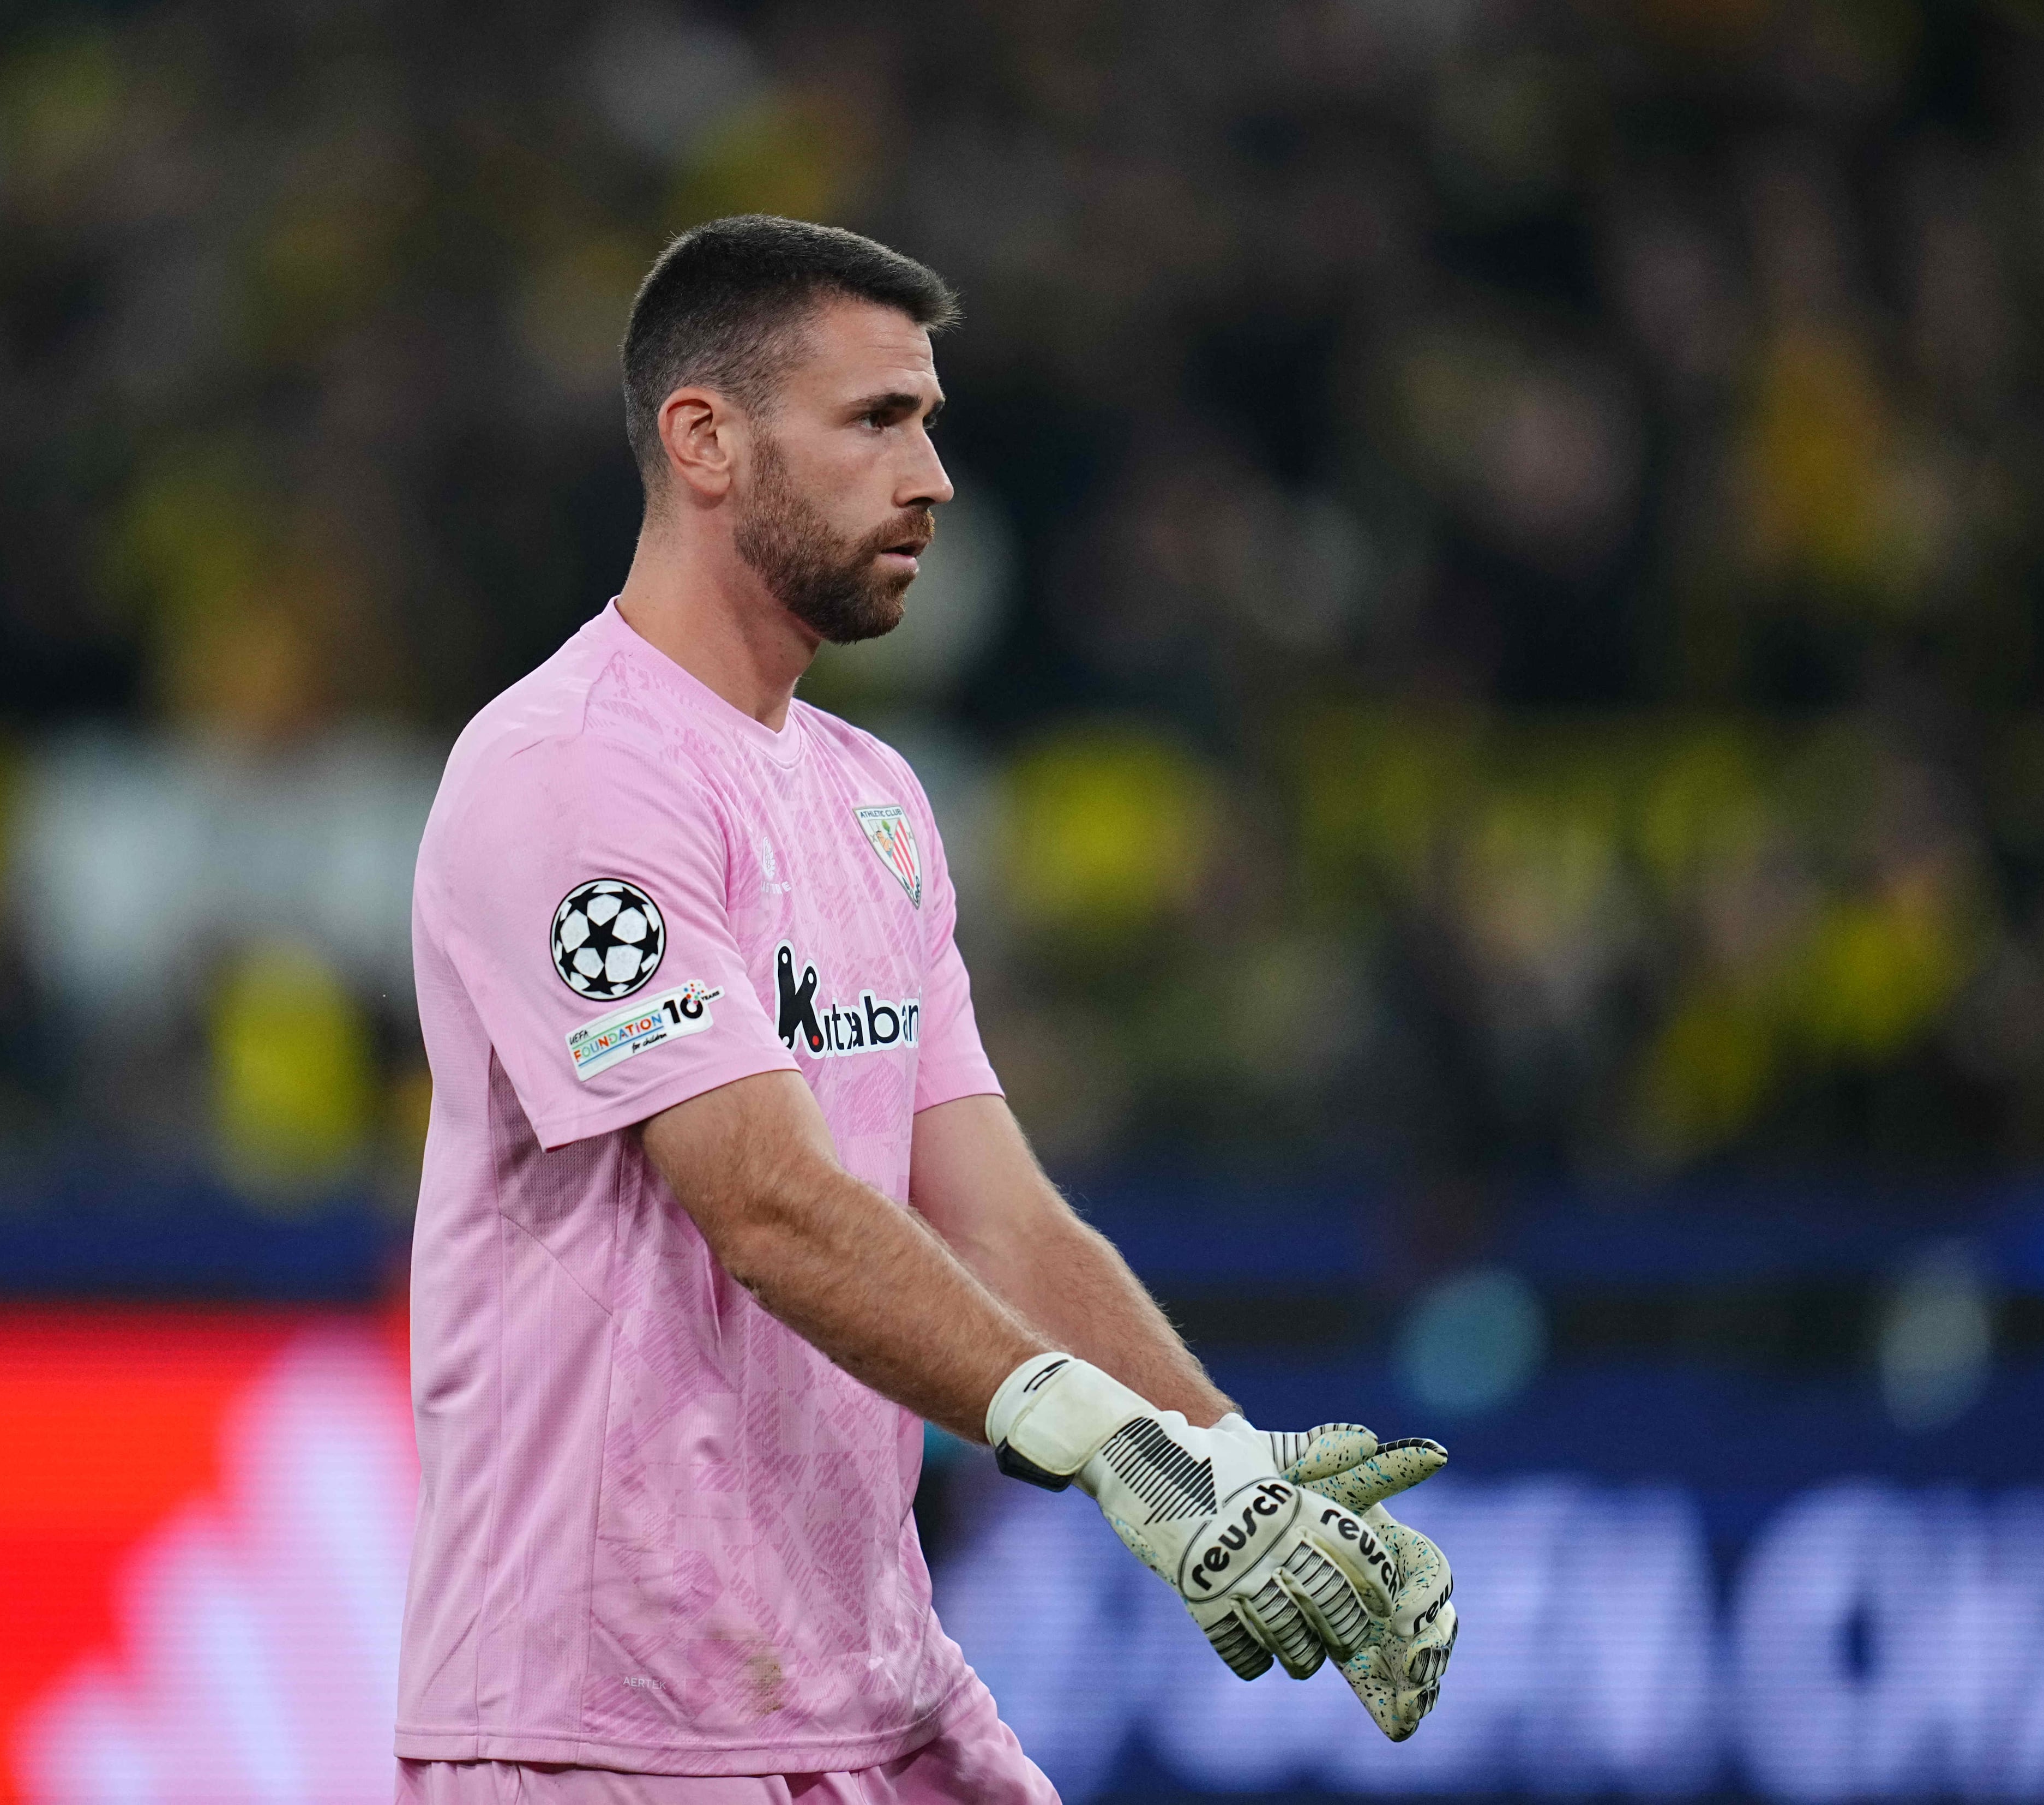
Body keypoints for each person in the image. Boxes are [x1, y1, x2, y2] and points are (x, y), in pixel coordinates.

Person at [395, 215, 1457, 1805]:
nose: (935, 478)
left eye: (931, 424)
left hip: (862, 1690)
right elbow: (764, 1201)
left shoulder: (872, 799)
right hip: (602, 1724)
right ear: (705, 441)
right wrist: (1109, 1448)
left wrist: (1213, 1452)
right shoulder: (571, 775)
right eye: (878, 421)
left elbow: (995, 1215)